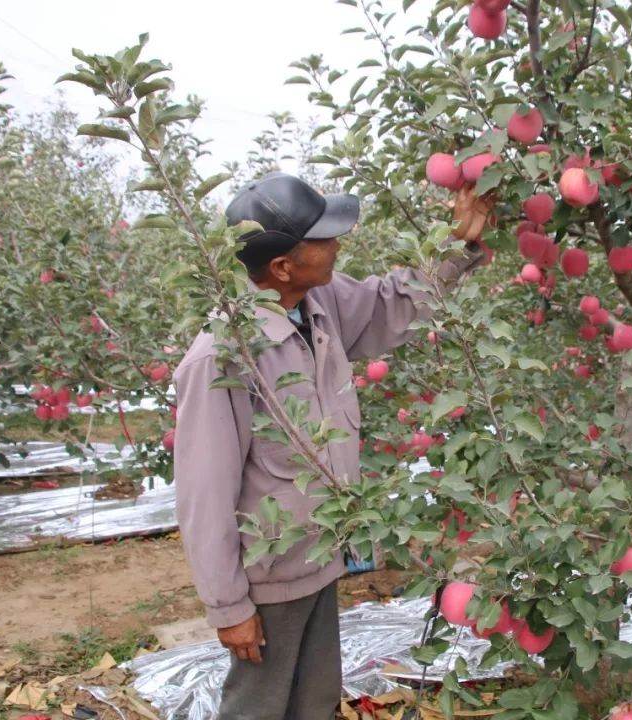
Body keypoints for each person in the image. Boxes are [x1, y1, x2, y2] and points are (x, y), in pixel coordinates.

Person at [172, 171, 491, 720]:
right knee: (260, 706)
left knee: (315, 698)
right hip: (269, 572)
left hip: (319, 554)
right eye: (323, 239)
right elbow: (203, 494)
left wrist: (456, 245)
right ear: (282, 267)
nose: (338, 245)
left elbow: (390, 301)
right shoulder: (224, 356)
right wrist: (228, 606)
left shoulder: (317, 303)